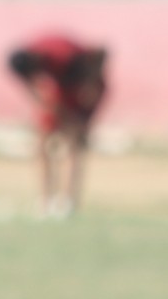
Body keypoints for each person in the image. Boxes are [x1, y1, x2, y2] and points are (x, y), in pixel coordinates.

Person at [6, 33, 108, 218]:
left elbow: (92, 81)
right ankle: (46, 200)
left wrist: (80, 117)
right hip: (59, 92)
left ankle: (67, 201)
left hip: (76, 90)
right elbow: (35, 90)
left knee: (73, 143)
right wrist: (46, 106)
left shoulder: (65, 58)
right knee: (43, 145)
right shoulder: (29, 64)